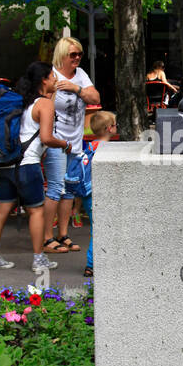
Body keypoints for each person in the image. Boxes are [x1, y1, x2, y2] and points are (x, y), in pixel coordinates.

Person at [0, 62, 70, 274]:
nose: (55, 80)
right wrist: (65, 144)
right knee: (36, 211)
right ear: (44, 80)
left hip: (6, 162)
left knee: (2, 209)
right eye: (52, 76)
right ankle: (39, 259)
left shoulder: (20, 100)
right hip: (28, 165)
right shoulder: (44, 104)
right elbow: (47, 138)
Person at [42, 37, 100, 254]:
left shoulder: (81, 75)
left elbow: (95, 96)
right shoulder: (51, 75)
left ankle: (62, 234)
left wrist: (76, 88)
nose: (77, 58)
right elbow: (40, 102)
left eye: (79, 54)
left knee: (69, 191)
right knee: (56, 188)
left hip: (75, 143)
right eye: (72, 54)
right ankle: (47, 238)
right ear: (62, 54)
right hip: (56, 142)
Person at [78, 109, 117, 278]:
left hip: (87, 195)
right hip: (100, 194)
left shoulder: (90, 147)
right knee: (100, 229)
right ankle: (91, 264)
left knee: (97, 228)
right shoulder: (106, 150)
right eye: (115, 125)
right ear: (109, 128)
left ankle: (98, 261)